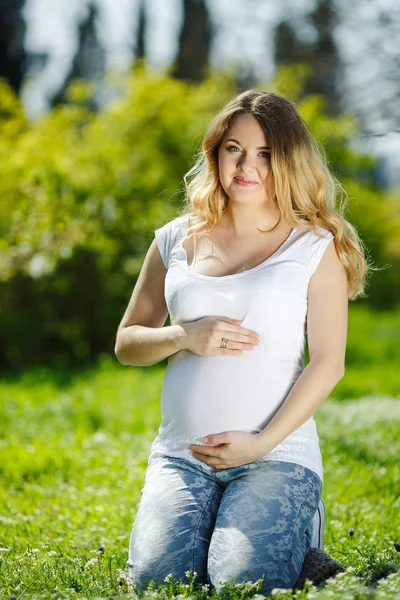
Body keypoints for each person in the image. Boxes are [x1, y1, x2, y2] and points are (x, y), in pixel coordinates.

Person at [115, 89, 368, 595]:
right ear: (215, 153)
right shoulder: (174, 240)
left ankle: (297, 534)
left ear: (288, 160)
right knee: (156, 584)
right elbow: (127, 343)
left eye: (266, 154)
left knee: (242, 584)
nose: (247, 166)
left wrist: (259, 444)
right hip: (180, 455)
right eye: (234, 148)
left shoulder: (315, 245)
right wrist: (183, 335)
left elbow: (328, 363)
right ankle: (221, 531)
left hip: (276, 453)